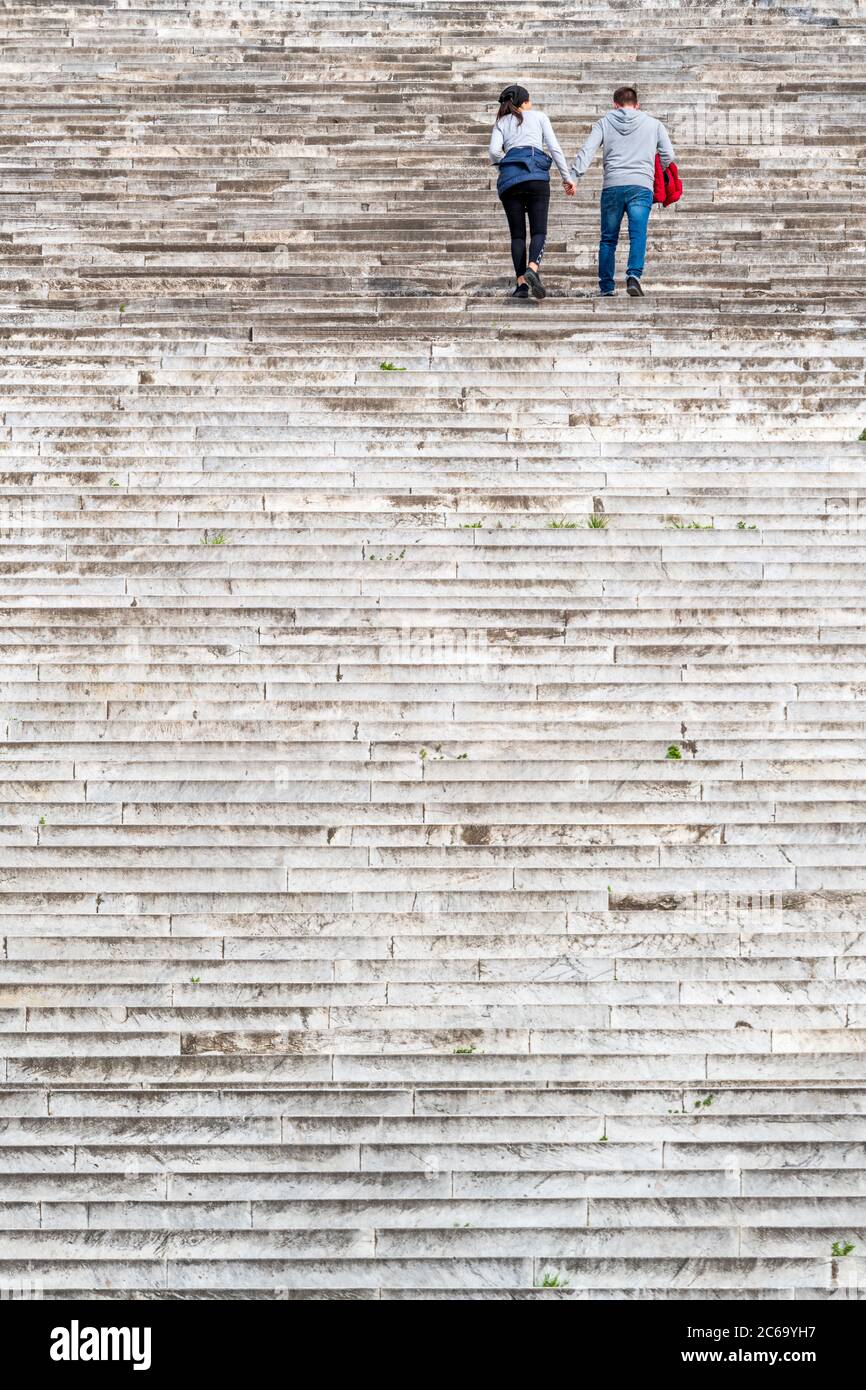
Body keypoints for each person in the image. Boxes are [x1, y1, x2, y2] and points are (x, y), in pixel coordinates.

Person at [568, 86, 675, 297]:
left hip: (612, 186)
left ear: (615, 105)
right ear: (637, 105)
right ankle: (633, 276)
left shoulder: (604, 122)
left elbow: (587, 150)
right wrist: (654, 169)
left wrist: (574, 177)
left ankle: (606, 286)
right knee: (638, 235)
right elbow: (668, 155)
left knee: (608, 238)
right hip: (641, 186)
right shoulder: (654, 124)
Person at [489, 85, 575, 300]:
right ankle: (533, 268)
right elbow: (554, 148)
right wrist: (567, 178)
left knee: (517, 234)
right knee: (539, 231)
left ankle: (521, 285)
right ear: (525, 102)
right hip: (536, 177)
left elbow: (493, 151)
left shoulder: (501, 122)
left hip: (510, 181)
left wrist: (506, 166)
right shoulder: (539, 116)